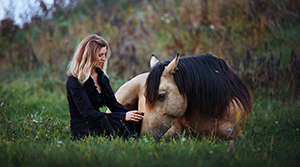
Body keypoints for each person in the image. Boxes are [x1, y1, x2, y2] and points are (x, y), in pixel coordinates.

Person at [66, 34, 143, 140]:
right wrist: (123, 117)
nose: (104, 58)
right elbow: (88, 114)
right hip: (84, 127)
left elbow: (114, 105)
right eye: (100, 55)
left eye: (105, 54)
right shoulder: (74, 80)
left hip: (99, 121)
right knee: (124, 133)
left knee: (137, 124)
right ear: (89, 55)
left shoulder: (102, 78)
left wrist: (136, 115)